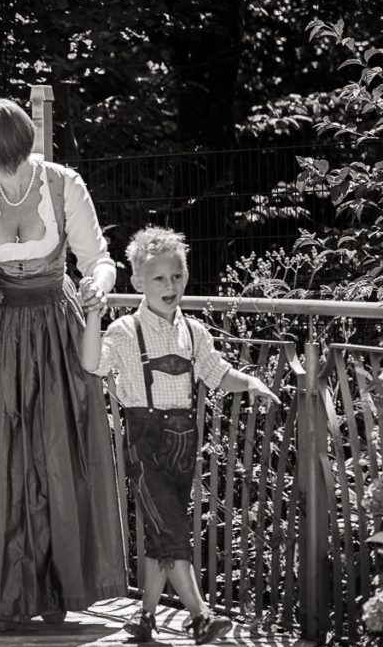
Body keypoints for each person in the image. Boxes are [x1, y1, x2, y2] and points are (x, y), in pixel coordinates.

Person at [0, 98, 127, 630]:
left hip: (55, 330)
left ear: (8, 149)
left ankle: (58, 590)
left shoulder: (64, 183)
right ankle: (1, 594)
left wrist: (100, 283)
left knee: (56, 455)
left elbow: (98, 259)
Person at [80, 227, 279, 644]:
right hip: (145, 443)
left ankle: (146, 618)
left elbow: (216, 371)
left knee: (161, 535)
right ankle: (201, 615)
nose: (169, 286)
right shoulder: (124, 331)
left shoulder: (195, 332)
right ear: (137, 283)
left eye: (176, 277)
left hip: (183, 444)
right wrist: (94, 316)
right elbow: (91, 364)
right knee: (171, 529)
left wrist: (252, 383)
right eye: (158, 279)